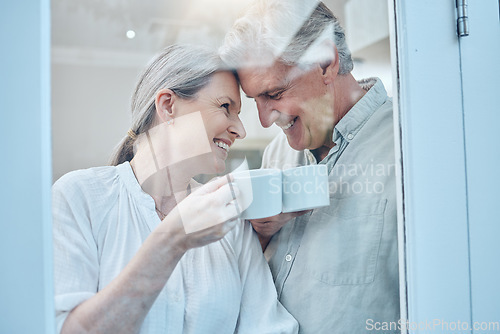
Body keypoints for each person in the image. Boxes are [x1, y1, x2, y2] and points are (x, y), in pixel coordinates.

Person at [52, 44, 298, 334]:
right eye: (225, 107)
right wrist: (172, 239)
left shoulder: (229, 219)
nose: (240, 130)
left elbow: (269, 327)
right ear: (168, 106)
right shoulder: (79, 198)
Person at [220, 1, 399, 333]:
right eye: (255, 100)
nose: (264, 118)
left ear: (326, 63)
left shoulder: (407, 148)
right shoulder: (277, 154)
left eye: (274, 93)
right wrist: (259, 236)